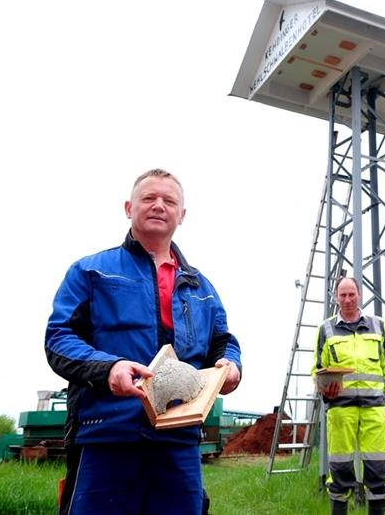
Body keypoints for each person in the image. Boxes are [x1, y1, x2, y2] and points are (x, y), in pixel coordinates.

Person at [45, 168, 242, 514]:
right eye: (148, 198)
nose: (159, 206)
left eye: (169, 201)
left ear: (182, 215)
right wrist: (109, 368)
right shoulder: (90, 272)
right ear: (128, 207)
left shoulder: (203, 289)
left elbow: (222, 343)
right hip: (107, 438)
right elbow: (59, 338)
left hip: (179, 445)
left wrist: (231, 366)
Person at [312, 277, 385, 515]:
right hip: (340, 411)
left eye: (352, 294)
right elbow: (317, 368)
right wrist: (324, 387)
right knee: (340, 470)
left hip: (375, 411)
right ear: (336, 298)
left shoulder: (378, 326)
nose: (348, 300)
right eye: (343, 295)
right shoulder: (325, 329)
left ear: (359, 295)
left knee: (378, 469)